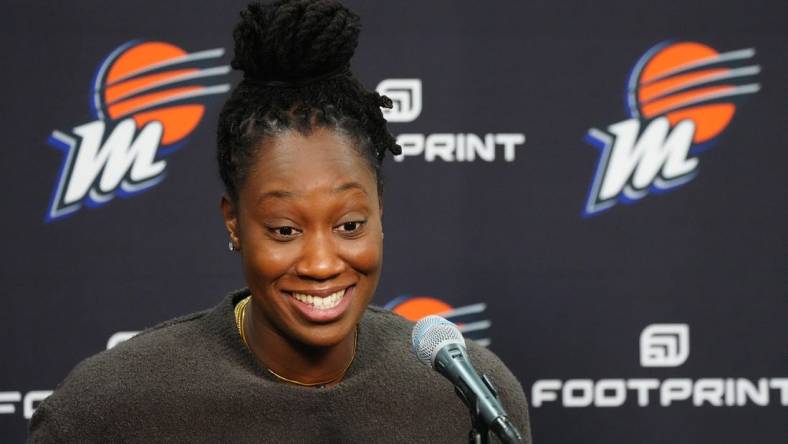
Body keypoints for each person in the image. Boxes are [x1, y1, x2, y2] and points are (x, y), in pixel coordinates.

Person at [29, 0, 532, 442]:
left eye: (350, 225)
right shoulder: (109, 411)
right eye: (285, 230)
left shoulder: (469, 393)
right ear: (234, 223)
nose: (320, 263)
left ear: (380, 210)